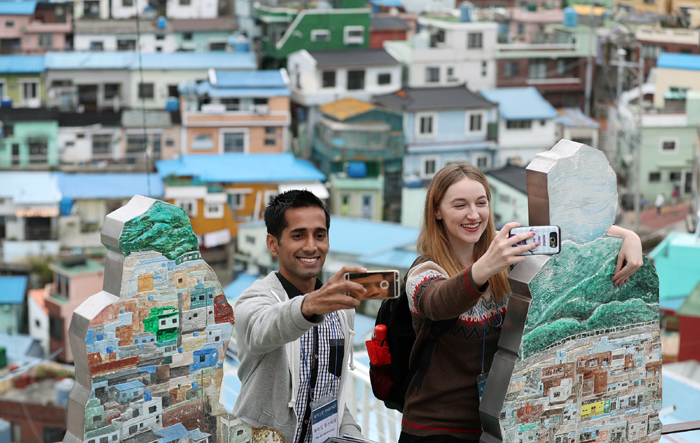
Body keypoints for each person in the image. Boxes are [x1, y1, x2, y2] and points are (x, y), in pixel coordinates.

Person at [399, 164, 644, 442]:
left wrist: (629, 237)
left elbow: (569, 234)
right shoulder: (425, 271)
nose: (473, 214)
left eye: (481, 203)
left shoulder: (505, 251)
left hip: (498, 428)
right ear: (437, 211)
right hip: (435, 429)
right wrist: (485, 267)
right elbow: (438, 302)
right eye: (459, 205)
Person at [233, 190, 365, 443]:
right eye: (298, 235)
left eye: (320, 235)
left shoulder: (342, 309)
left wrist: (351, 435)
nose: (311, 246)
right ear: (273, 244)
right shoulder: (255, 298)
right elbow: (261, 330)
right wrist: (310, 305)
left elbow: (332, 394)